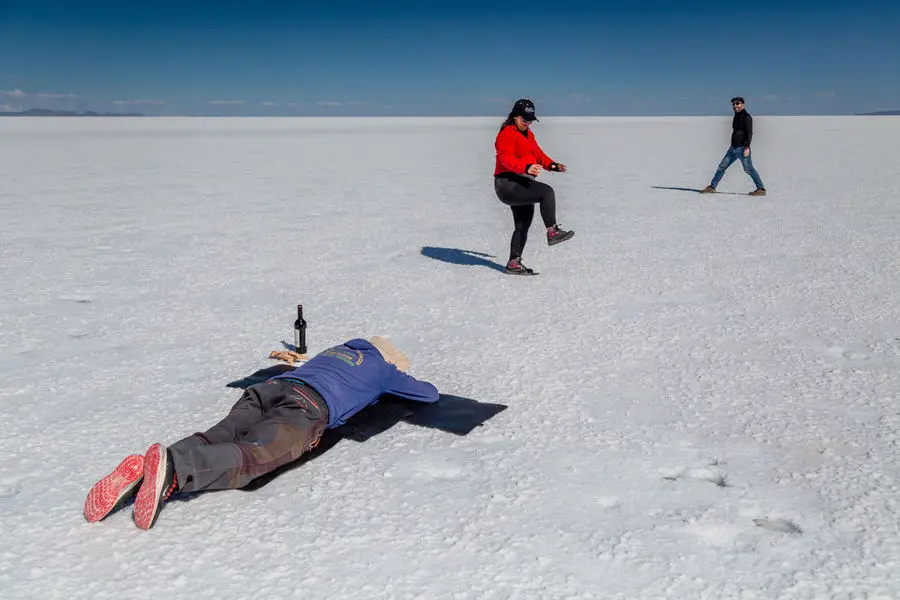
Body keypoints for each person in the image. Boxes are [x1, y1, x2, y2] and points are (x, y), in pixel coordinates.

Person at [83, 336, 439, 530]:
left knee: (220, 434)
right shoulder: (382, 369)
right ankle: (175, 470)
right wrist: (392, 375)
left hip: (269, 388)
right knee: (256, 454)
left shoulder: (337, 350)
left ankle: (150, 469)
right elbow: (428, 394)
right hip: (306, 406)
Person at [493, 98, 574, 275]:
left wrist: (552, 165)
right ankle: (552, 232)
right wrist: (526, 167)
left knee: (523, 223)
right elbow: (505, 159)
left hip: (522, 182)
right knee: (546, 192)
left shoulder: (528, 135)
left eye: (530, 120)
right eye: (524, 119)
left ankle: (513, 262)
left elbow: (538, 154)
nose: (527, 123)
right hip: (507, 183)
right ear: (515, 116)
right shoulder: (506, 134)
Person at [701, 97, 767, 196]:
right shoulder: (736, 116)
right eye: (733, 104)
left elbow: (749, 133)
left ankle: (761, 189)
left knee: (748, 169)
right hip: (732, 149)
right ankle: (712, 187)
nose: (735, 106)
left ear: (743, 104)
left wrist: (747, 147)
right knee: (721, 167)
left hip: (742, 149)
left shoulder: (746, 117)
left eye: (737, 103)